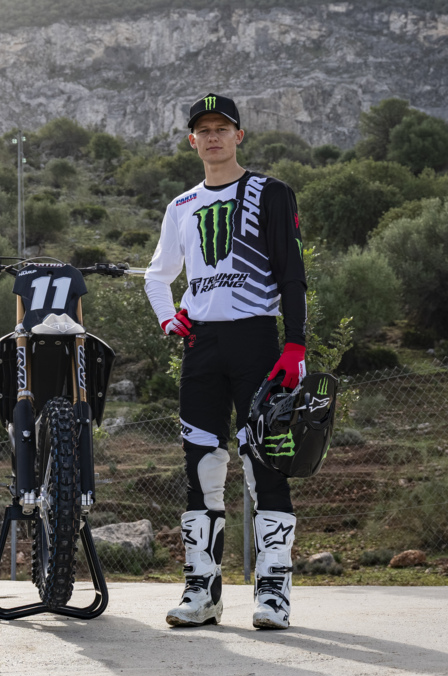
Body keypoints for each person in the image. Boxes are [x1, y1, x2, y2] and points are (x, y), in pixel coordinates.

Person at [143, 93, 307, 630]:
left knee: (267, 465)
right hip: (202, 345)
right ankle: (203, 592)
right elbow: (157, 276)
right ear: (192, 141)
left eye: (222, 128)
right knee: (201, 466)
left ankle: (273, 595)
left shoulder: (270, 193)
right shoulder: (181, 205)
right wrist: (168, 319)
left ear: (239, 136)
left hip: (258, 340)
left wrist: (296, 345)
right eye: (204, 130)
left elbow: (292, 275)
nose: (213, 137)